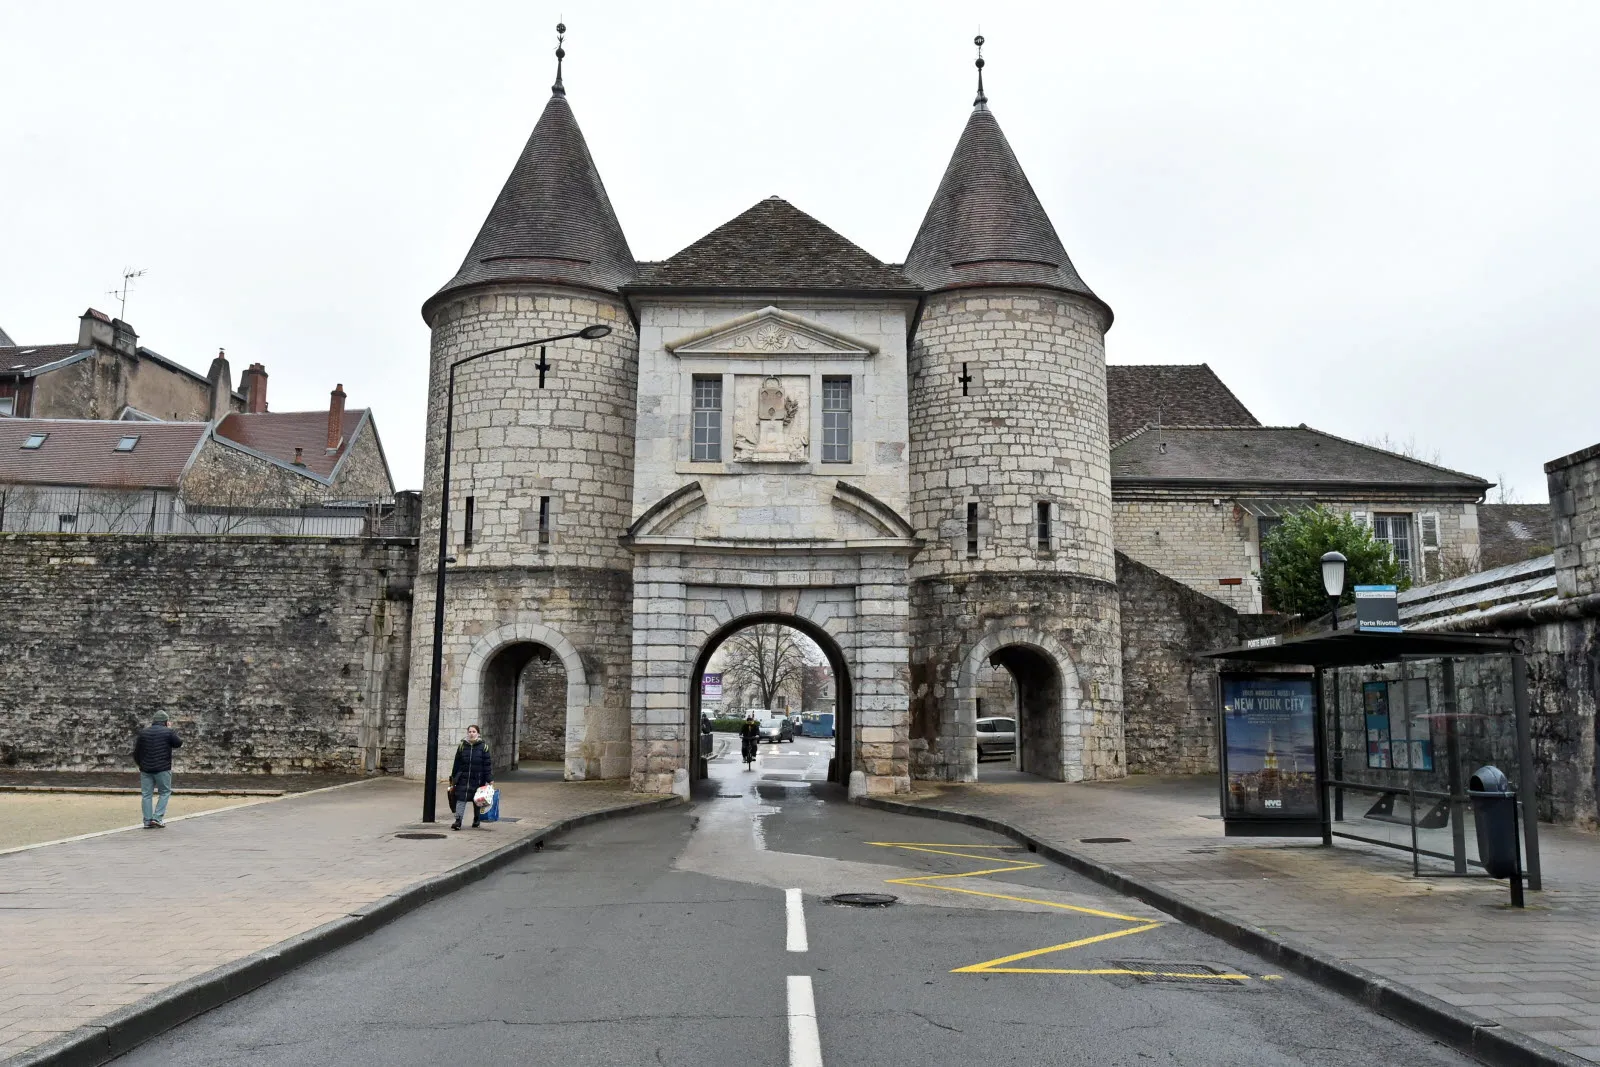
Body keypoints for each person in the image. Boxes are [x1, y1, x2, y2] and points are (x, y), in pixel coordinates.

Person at [132, 712, 182, 829]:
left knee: (146, 795)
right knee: (164, 792)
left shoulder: (143, 733)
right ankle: (157, 817)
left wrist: (141, 764)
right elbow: (178, 743)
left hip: (146, 769)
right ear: (166, 721)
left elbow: (136, 752)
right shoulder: (168, 732)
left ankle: (147, 820)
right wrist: (170, 729)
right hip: (162, 768)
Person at [450, 724, 494, 831]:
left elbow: (487, 764)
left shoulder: (483, 747)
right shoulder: (462, 746)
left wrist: (489, 779)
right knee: (461, 799)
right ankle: (458, 821)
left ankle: (476, 819)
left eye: (474, 732)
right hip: (463, 778)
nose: (471, 733)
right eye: (470, 731)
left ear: (478, 733)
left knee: (477, 800)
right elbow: (457, 763)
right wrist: (453, 778)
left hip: (477, 778)